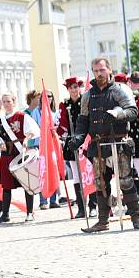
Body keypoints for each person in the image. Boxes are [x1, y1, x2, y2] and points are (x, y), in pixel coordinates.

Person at [71, 58, 139, 232]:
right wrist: (78, 137)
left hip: (119, 142)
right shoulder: (87, 96)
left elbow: (132, 111)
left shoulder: (120, 90)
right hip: (98, 145)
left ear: (109, 70)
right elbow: (83, 120)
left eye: (102, 70)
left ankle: (136, 219)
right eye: (96, 71)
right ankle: (102, 221)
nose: (99, 74)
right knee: (100, 183)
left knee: (126, 181)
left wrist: (117, 114)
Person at [0, 92, 40, 223]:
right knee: (6, 186)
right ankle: (5, 214)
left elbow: (33, 130)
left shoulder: (22, 116)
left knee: (26, 184)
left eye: (9, 101)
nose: (6, 104)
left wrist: (27, 139)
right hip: (7, 155)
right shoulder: (0, 122)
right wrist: (0, 143)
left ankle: (30, 213)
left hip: (21, 153)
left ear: (14, 102)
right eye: (4, 102)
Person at [115, 73, 139, 213]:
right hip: (121, 137)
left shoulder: (138, 96)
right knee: (125, 172)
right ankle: (131, 204)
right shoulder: (112, 99)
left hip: (136, 136)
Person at [58, 77, 89, 218]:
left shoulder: (86, 100)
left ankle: (93, 205)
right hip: (72, 142)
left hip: (87, 141)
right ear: (68, 89)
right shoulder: (64, 104)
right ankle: (81, 208)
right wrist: (57, 132)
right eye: (71, 87)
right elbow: (62, 124)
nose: (74, 90)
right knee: (76, 176)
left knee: (90, 174)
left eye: (76, 87)